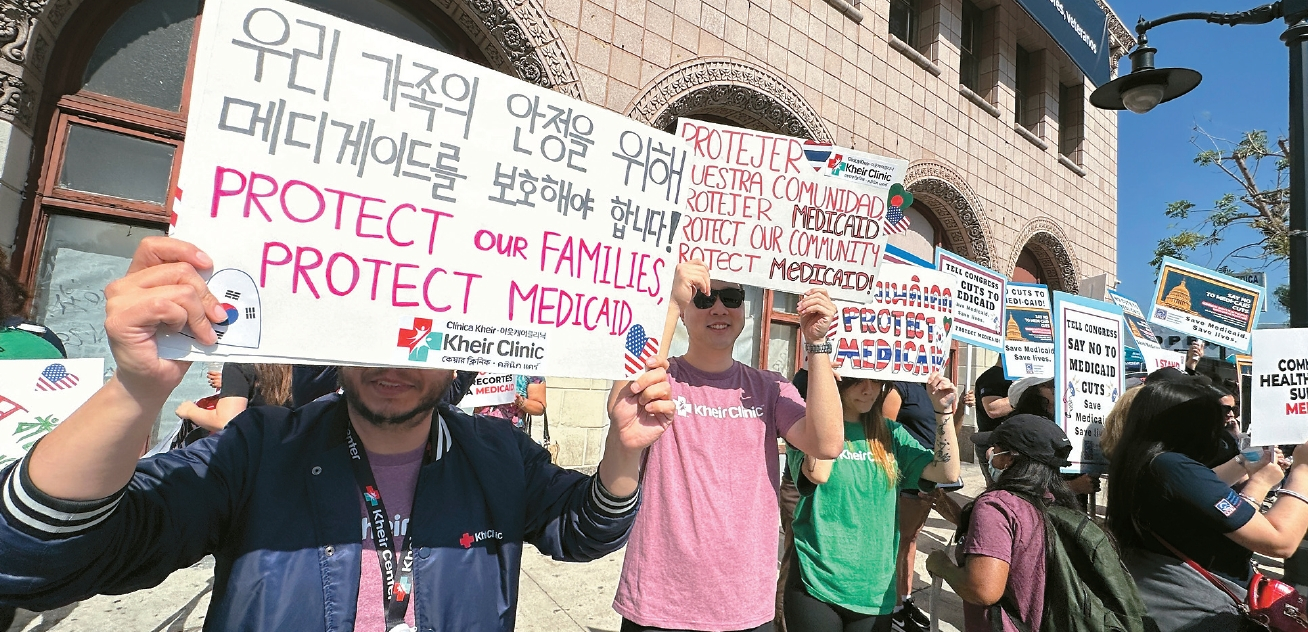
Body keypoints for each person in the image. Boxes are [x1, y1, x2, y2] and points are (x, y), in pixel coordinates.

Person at [0, 237, 675, 631]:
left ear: (465, 352)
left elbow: (586, 531)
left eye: (425, 332)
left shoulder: (499, 455)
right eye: (372, 326)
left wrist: (622, 451)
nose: (395, 356)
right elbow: (35, 557)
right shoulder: (258, 450)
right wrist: (136, 390)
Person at [613, 260, 843, 632]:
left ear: (744, 310)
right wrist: (669, 304)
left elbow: (827, 443)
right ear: (686, 312)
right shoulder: (660, 378)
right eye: (703, 298)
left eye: (731, 297)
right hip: (658, 600)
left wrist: (818, 343)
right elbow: (620, 407)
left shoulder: (770, 387)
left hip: (744, 604)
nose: (718, 308)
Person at [1107, 376, 1308, 631]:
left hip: (1169, 601)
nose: (1222, 426)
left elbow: (1204, 489)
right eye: (1215, 419)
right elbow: (1280, 542)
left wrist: (1244, 463)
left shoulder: (1144, 459)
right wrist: (1301, 470)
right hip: (1201, 608)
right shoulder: (1172, 467)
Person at [786, 373, 961, 632]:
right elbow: (818, 472)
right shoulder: (806, 427)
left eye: (876, 380)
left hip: (875, 589)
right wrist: (824, 381)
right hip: (817, 580)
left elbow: (945, 473)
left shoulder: (890, 434)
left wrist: (943, 412)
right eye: (857, 380)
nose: (869, 390)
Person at [925, 414, 1078, 631]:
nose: (990, 455)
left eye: (995, 449)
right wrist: (950, 509)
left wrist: (943, 566)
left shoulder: (996, 506)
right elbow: (1010, 541)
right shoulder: (1054, 500)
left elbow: (982, 590)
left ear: (1010, 458)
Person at [889, 380, 961, 632]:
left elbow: (948, 436)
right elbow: (882, 434)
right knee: (899, 541)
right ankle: (894, 607)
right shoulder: (901, 385)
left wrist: (955, 409)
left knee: (910, 540)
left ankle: (904, 601)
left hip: (928, 476)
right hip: (905, 477)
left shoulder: (934, 388)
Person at [973, 358, 1013, 484]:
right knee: (999, 491)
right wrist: (1025, 394)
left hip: (1013, 443)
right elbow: (993, 409)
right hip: (994, 445)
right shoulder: (992, 377)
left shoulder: (1020, 378)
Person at [475, 374, 546, 431]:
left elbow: (539, 408)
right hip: (480, 430)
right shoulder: (483, 363)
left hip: (511, 435)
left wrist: (520, 401)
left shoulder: (531, 370)